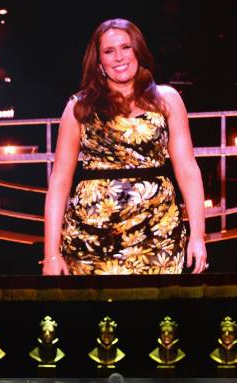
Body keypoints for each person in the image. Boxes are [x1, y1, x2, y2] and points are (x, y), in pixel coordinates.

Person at [43, 18, 207, 275]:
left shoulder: (167, 100)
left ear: (138, 51)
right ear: (98, 62)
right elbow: (59, 182)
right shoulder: (79, 106)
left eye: (125, 47)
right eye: (109, 51)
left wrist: (198, 237)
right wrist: (51, 255)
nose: (118, 57)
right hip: (90, 240)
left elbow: (188, 171)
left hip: (158, 234)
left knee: (158, 314)